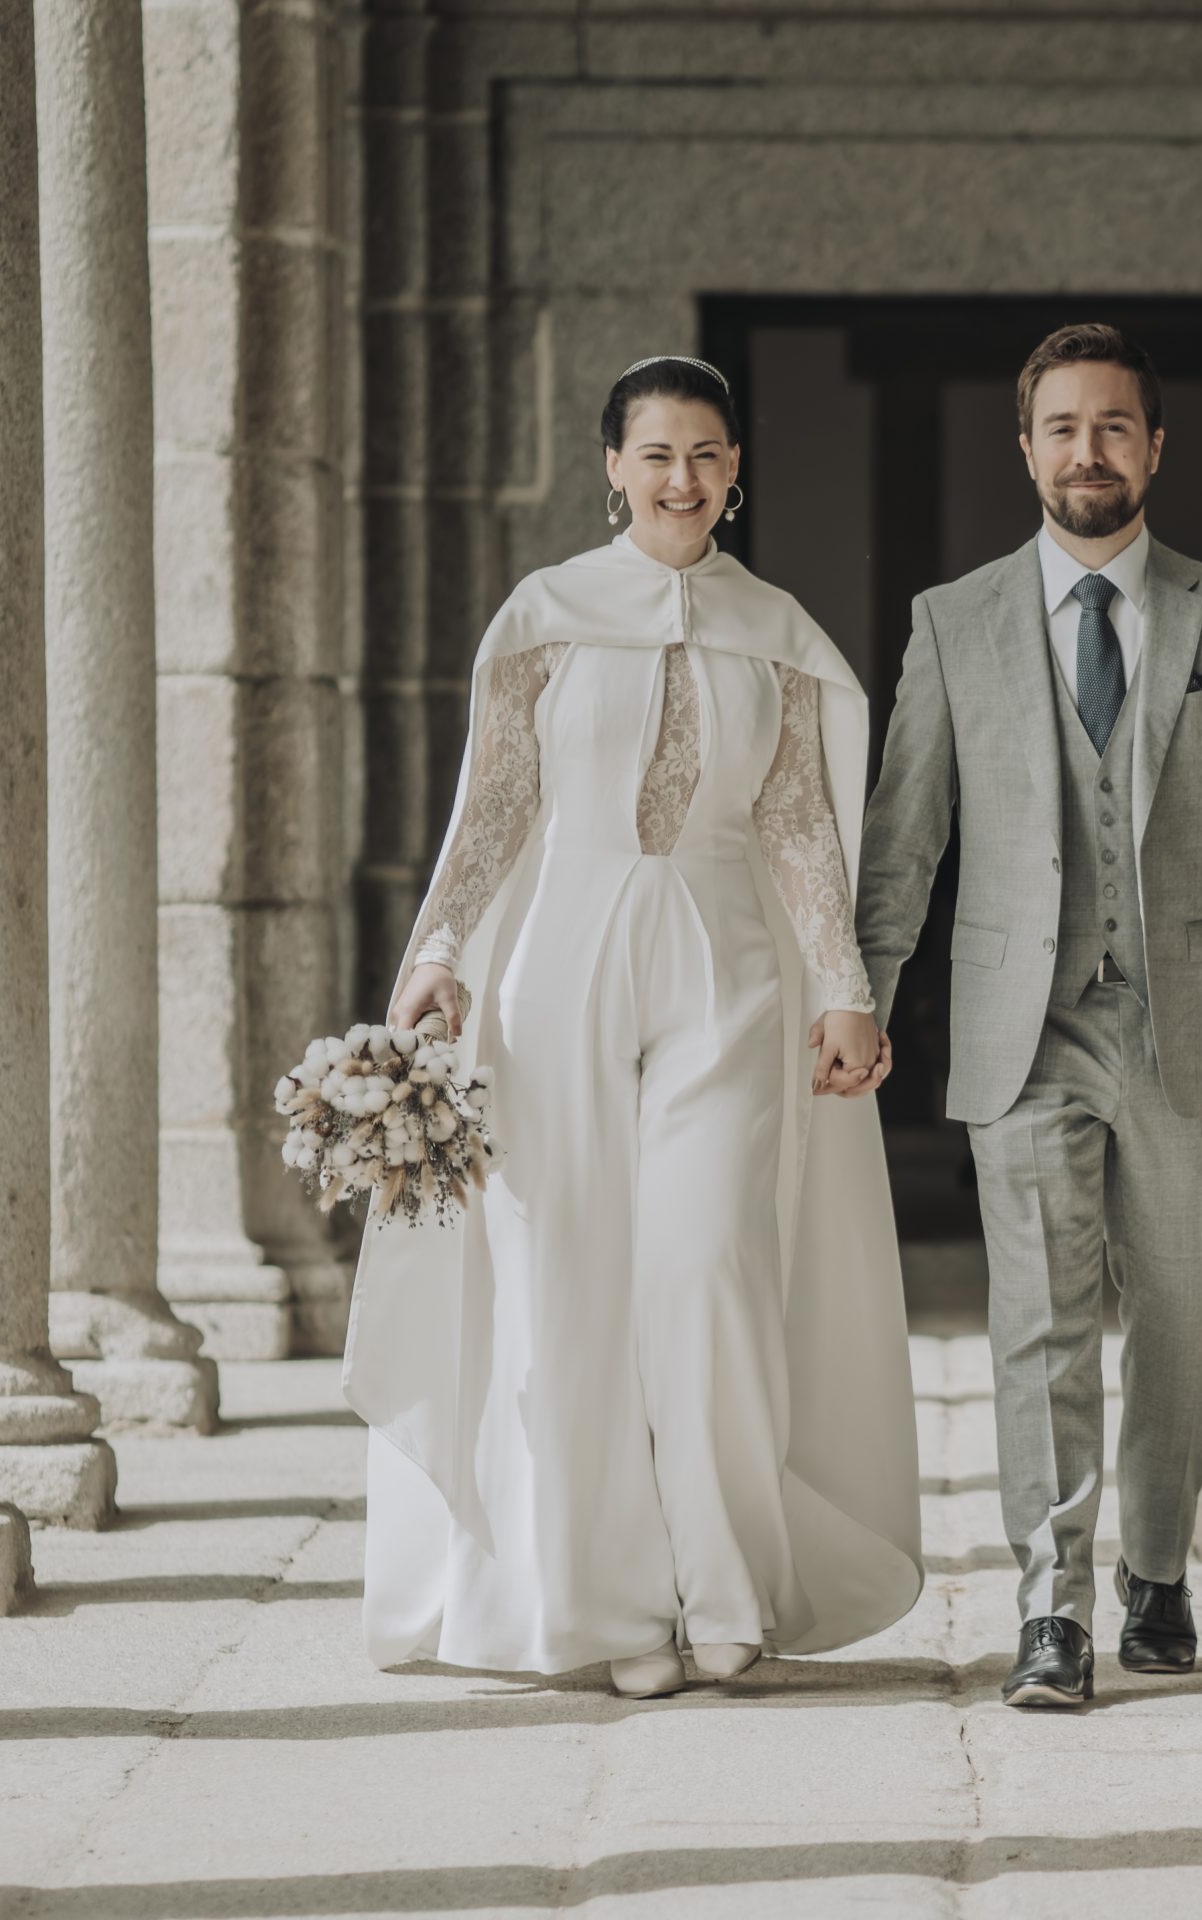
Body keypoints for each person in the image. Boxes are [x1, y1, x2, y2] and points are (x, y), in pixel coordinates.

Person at [342, 354, 923, 1700]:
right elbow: (493, 811)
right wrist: (435, 952)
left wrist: (844, 985)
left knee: (709, 1268)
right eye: (657, 453)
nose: (683, 478)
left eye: (708, 453)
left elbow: (796, 823)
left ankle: (719, 1591)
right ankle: (599, 1610)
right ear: (611, 466)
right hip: (564, 961)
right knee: (568, 1278)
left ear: (736, 471)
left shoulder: (773, 627)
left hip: (729, 962)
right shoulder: (547, 615)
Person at [858, 323, 1202, 1708]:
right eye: (1063, 427)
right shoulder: (951, 624)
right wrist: (863, 996)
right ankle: (1048, 1606)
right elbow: (903, 837)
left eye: (1115, 427)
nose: (1089, 451)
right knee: (1040, 1318)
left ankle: (1159, 1568)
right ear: (1026, 449)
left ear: (1153, 447)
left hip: (1194, 1026)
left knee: (1189, 1310)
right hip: (1023, 1032)